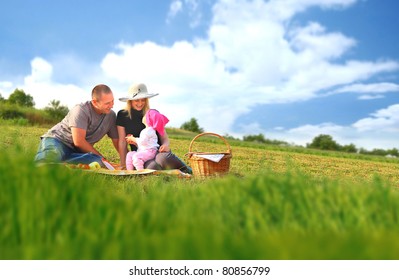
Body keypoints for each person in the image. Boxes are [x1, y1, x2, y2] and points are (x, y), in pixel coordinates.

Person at [34, 84, 119, 167]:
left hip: (76, 152)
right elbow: (79, 142)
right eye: (107, 103)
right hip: (58, 141)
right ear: (95, 102)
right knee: (48, 160)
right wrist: (104, 158)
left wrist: (126, 160)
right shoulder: (80, 110)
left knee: (99, 162)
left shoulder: (111, 116)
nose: (112, 105)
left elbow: (117, 141)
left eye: (112, 101)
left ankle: (62, 164)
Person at [116, 83, 192, 173]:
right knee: (152, 166)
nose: (140, 103)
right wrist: (123, 164)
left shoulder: (152, 113)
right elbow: (122, 142)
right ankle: (167, 174)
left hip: (157, 151)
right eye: (136, 100)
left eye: (143, 100)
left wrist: (166, 145)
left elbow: (164, 137)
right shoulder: (122, 115)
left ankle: (186, 170)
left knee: (162, 159)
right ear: (130, 101)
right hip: (141, 155)